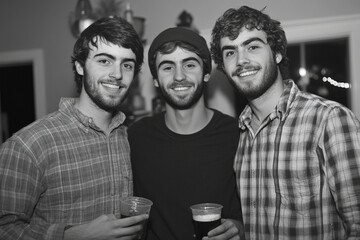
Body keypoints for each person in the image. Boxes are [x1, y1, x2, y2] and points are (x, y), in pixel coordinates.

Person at [210, 5, 360, 239]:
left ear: (277, 53)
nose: (241, 60)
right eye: (230, 52)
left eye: (252, 46)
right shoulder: (241, 134)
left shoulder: (329, 119)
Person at [0, 17, 148, 240]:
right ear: (80, 65)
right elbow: (5, 228)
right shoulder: (29, 145)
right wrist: (70, 236)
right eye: (105, 61)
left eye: (126, 65)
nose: (117, 74)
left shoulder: (130, 137)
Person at [128, 27, 243, 240]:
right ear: (155, 79)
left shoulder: (238, 135)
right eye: (167, 67)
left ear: (206, 73)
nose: (179, 76)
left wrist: (241, 228)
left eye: (189, 65)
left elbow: (255, 211)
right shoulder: (135, 138)